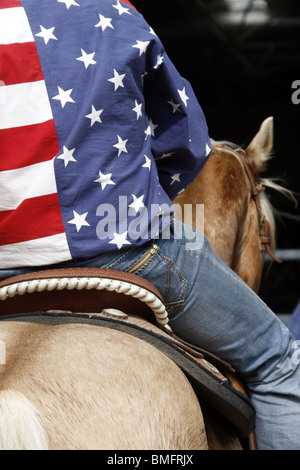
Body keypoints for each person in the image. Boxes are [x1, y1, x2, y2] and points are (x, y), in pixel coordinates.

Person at [0, 0, 299, 450]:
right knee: (278, 358)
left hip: (6, 261)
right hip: (126, 241)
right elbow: (188, 143)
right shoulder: (111, 12)